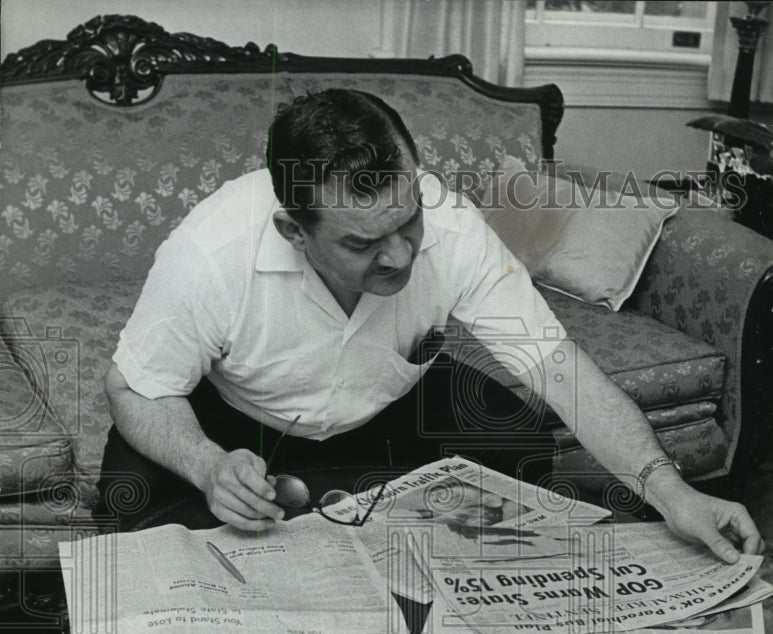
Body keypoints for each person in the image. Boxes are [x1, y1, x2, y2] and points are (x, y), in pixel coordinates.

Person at [98, 88, 762, 563]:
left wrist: (672, 492)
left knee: (519, 434)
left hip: (385, 404)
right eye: (362, 244)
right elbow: (134, 388)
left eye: (407, 220)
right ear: (292, 231)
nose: (399, 255)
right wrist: (209, 467)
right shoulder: (209, 254)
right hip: (239, 422)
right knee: (134, 509)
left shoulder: (449, 226)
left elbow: (558, 371)